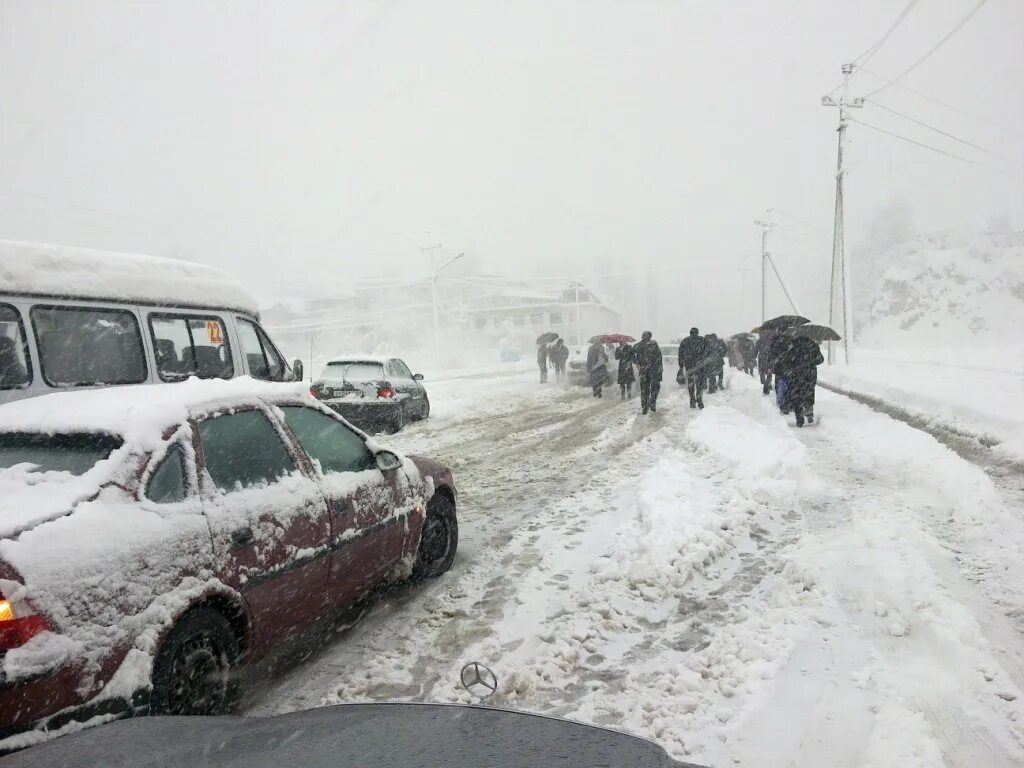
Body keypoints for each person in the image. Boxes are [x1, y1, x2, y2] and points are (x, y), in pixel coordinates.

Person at [778, 335, 824, 427]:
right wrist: (810, 363)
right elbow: (820, 359)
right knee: (809, 393)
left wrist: (791, 368)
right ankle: (809, 413)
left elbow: (786, 360)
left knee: (796, 396)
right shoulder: (813, 345)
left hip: (796, 375)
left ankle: (799, 418)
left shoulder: (792, 346)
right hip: (810, 374)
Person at [678, 327, 708, 409]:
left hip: (689, 364)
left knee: (691, 382)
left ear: (690, 333)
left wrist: (681, 366)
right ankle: (699, 396)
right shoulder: (703, 340)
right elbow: (707, 352)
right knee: (700, 382)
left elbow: (680, 354)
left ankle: (692, 399)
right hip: (700, 364)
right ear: (697, 332)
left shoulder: (685, 341)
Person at [633, 331, 663, 414]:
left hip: (643, 370)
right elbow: (659, 356)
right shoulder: (653, 344)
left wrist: (638, 363)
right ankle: (652, 402)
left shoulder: (637, 345)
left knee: (644, 389)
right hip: (654, 370)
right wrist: (660, 369)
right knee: (655, 387)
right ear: (650, 336)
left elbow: (631, 356)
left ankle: (644, 405)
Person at [755, 331, 783, 396]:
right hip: (769, 359)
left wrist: (754, 355)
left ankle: (764, 384)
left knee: (762, 372)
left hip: (762, 358)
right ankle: (767, 385)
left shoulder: (759, 341)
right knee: (769, 374)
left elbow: (755, 351)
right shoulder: (771, 340)